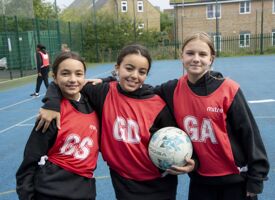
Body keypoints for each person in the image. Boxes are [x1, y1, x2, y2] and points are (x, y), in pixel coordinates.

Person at [36, 44, 196, 200]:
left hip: (159, 183)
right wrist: (51, 102)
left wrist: (191, 160)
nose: (134, 75)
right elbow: (66, 84)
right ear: (117, 67)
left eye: (142, 71)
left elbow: (179, 139)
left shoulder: (157, 104)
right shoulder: (103, 92)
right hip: (123, 181)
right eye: (129, 68)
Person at [153, 32, 269, 200]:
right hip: (201, 181)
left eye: (202, 54)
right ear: (181, 56)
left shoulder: (228, 90)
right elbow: (143, 92)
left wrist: (256, 179)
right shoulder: (172, 89)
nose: (196, 59)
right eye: (190, 53)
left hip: (235, 181)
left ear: (211, 59)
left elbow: (249, 134)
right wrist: (107, 81)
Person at [16, 51, 100, 200]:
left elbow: (116, 86)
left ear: (85, 77)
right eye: (65, 74)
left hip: (85, 191)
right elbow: (30, 160)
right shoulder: (51, 114)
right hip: (50, 191)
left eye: (79, 74)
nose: (73, 79)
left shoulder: (94, 103)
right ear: (55, 77)